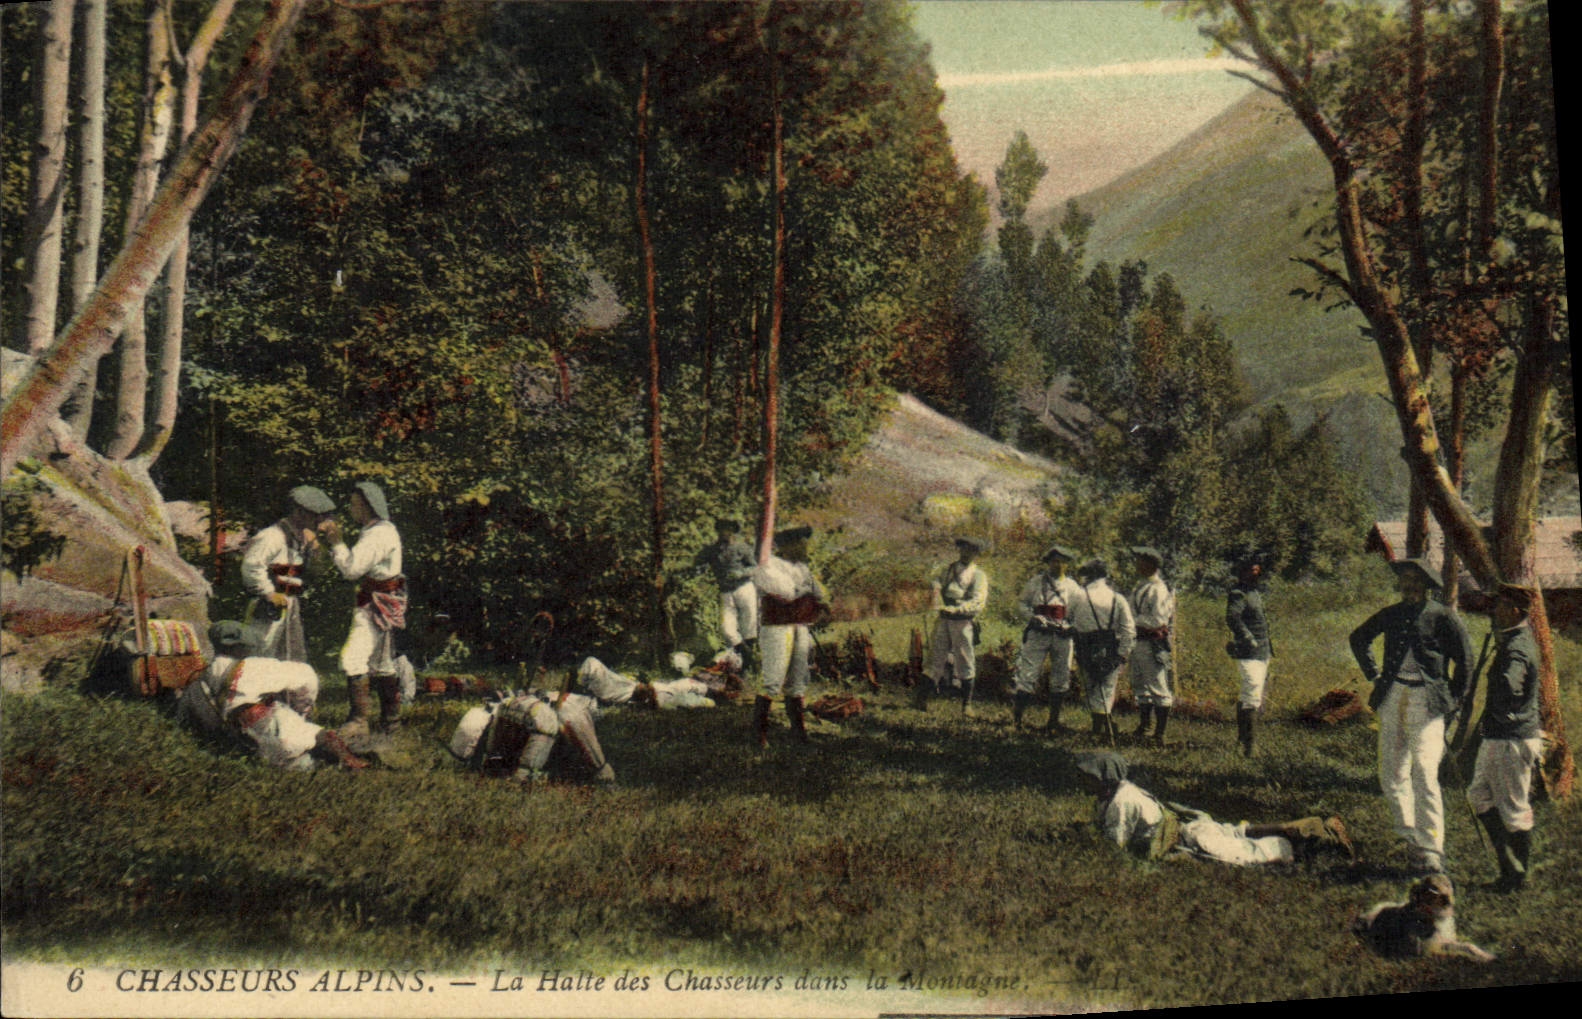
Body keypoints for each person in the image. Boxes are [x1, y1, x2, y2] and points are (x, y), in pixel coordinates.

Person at [1349, 557, 1474, 874]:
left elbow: (1465, 662)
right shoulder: (1392, 613)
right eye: (1405, 580)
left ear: (1427, 586)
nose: (1409, 586)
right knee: (1391, 772)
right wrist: (1374, 674)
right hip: (1392, 696)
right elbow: (1359, 638)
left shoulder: (1442, 616)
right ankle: (1409, 837)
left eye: (1415, 580)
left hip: (1427, 701)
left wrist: (1452, 700)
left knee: (1425, 772)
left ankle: (1431, 849)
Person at [1075, 751, 1352, 866]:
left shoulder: (1121, 802)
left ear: (1103, 778)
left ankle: (1321, 842)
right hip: (1191, 827)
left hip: (1191, 839)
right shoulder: (1117, 792)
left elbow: (1113, 847)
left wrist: (1082, 840)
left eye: (1087, 776)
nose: (1083, 781)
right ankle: (1309, 827)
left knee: (1251, 856)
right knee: (1240, 833)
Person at [178, 620, 368, 769]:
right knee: (320, 736)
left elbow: (187, 718)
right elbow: (307, 676)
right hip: (271, 733)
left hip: (236, 742)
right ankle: (352, 763)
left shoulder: (201, 679)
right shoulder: (255, 667)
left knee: (301, 760)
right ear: (239, 647)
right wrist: (302, 711)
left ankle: (306, 762)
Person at [1467, 583, 1543, 892]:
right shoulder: (1515, 639)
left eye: (1500, 605)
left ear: (1514, 610)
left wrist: (1500, 715)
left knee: (1514, 809)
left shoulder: (1517, 647)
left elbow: (1511, 685)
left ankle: (1516, 878)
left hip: (1510, 739)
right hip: (1500, 736)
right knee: (1478, 794)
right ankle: (1509, 865)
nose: (1494, 610)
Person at [321, 482, 407, 736]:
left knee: (353, 658)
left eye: (354, 504)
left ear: (367, 507)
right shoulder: (379, 531)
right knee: (382, 662)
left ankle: (360, 721)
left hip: (375, 604)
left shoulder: (377, 535)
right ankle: (392, 721)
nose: (350, 509)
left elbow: (351, 570)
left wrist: (337, 542)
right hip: (381, 601)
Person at [751, 524, 828, 747]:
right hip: (777, 628)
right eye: (800, 544)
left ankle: (799, 734)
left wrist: (815, 598)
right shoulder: (769, 566)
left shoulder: (802, 568)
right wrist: (807, 593)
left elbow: (821, 595)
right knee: (772, 680)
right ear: (786, 546)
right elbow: (786, 594)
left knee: (797, 680)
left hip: (799, 626)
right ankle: (759, 735)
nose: (805, 548)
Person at [239, 485, 335, 661]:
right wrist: (268, 592)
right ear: (298, 512)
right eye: (314, 515)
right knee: (260, 651)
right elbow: (252, 566)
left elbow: (317, 570)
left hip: (289, 602)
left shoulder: (302, 538)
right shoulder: (272, 536)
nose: (319, 521)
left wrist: (317, 548)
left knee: (290, 653)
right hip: (267, 605)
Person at [449, 688, 615, 784]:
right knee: (544, 719)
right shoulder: (572, 711)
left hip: (514, 723)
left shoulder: (573, 708)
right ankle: (525, 775)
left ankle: (524, 774)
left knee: (544, 718)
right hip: (527, 722)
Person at [1012, 544, 1084, 731]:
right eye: (1054, 561)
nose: (1057, 565)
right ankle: (1017, 720)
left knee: (1061, 675)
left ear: (1067, 565)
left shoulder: (1072, 587)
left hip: (1062, 635)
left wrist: (1070, 626)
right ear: (1048, 563)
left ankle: (1053, 721)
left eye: (1062, 562)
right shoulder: (1036, 582)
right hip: (1038, 633)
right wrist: (1032, 617)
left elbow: (1080, 612)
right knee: (1027, 673)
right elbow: (1021, 603)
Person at [1351, 874, 1494, 962]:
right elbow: (1430, 952)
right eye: (1442, 900)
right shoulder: (1413, 923)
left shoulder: (1442, 915)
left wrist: (1469, 949)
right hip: (1376, 923)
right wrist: (1464, 953)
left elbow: (1445, 942)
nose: (1449, 904)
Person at [1070, 559, 1135, 740]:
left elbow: (1069, 620)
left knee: (1091, 686)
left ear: (1088, 576)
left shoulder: (1078, 596)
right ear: (1105, 576)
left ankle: (1099, 728)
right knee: (1106, 688)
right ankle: (1103, 727)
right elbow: (1129, 629)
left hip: (1084, 645)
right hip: (1109, 646)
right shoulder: (1117, 598)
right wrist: (1122, 654)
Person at [925, 537, 990, 716]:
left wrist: (958, 609)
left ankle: (966, 705)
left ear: (976, 553)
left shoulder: (978, 575)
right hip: (944, 619)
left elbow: (978, 601)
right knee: (935, 657)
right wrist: (935, 590)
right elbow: (936, 582)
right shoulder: (948, 569)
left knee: (965, 659)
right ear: (960, 550)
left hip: (963, 621)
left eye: (971, 550)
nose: (967, 553)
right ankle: (922, 699)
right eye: (964, 549)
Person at [690, 518, 759, 665]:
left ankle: (746, 666)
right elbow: (697, 564)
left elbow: (755, 568)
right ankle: (749, 658)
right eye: (722, 529)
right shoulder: (712, 550)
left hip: (744, 588)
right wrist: (698, 569)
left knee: (749, 627)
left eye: (728, 529)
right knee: (727, 629)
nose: (725, 533)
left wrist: (741, 573)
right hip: (726, 592)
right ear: (718, 531)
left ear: (734, 531)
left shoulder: (742, 548)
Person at [1225, 549, 1273, 758]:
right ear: (1242, 572)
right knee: (1252, 693)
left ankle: (1242, 739)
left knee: (1251, 694)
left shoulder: (1255, 593)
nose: (1255, 574)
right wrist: (1247, 637)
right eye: (1251, 571)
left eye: (1257, 570)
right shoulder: (1239, 593)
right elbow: (1233, 617)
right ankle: (1250, 745)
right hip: (1248, 651)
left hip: (1263, 651)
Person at [1127, 546, 1175, 746]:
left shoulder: (1158, 589)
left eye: (1140, 561)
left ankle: (1159, 733)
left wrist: (1131, 620)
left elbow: (1158, 620)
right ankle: (1144, 725)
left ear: (1151, 565)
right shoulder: (1140, 586)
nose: (1137, 564)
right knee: (1139, 683)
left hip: (1152, 642)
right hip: (1137, 641)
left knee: (1158, 685)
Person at [574, 653, 743, 709]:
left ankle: (580, 690)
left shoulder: (704, 694)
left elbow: (671, 700)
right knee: (593, 665)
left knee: (593, 664)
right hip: (638, 688)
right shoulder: (701, 678)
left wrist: (650, 693)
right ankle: (581, 689)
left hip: (636, 692)